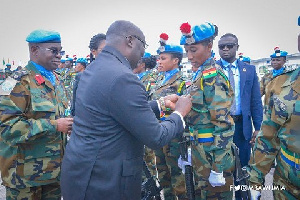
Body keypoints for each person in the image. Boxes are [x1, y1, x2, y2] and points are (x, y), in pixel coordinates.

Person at [61, 20, 192, 200]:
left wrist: (159, 104)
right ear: (130, 41)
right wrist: (179, 113)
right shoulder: (124, 77)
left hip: (82, 173)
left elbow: (115, 111)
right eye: (142, 46)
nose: (143, 55)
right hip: (106, 182)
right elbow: (156, 137)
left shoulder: (94, 69)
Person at [0, 29, 73, 199]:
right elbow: (6, 128)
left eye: (60, 51)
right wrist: (55, 125)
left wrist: (68, 125)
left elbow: (62, 114)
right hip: (25, 178)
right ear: (34, 50)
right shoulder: (15, 83)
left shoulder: (58, 80)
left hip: (54, 173)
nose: (59, 56)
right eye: (53, 51)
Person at [179, 22, 235, 199]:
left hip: (213, 155)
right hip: (200, 152)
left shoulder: (213, 76)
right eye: (187, 51)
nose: (189, 56)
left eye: (193, 50)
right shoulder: (200, 74)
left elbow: (223, 124)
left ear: (209, 46)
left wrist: (218, 167)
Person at [216, 33, 263, 199]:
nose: (226, 49)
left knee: (243, 166)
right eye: (222, 46)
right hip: (220, 128)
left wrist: (258, 128)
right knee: (222, 167)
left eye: (230, 45)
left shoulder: (248, 70)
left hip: (242, 127)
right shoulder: (212, 70)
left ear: (237, 47)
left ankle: (242, 195)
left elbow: (255, 101)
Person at [248, 63, 300, 200]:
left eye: (278, 59)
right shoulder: (279, 84)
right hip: (287, 185)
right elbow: (268, 136)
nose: (275, 62)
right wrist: (255, 181)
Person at [149, 33, 187, 200]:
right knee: (164, 177)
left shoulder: (183, 82)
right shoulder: (158, 80)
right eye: (158, 58)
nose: (159, 61)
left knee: (179, 179)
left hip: (175, 138)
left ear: (175, 61)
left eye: (163, 58)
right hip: (159, 135)